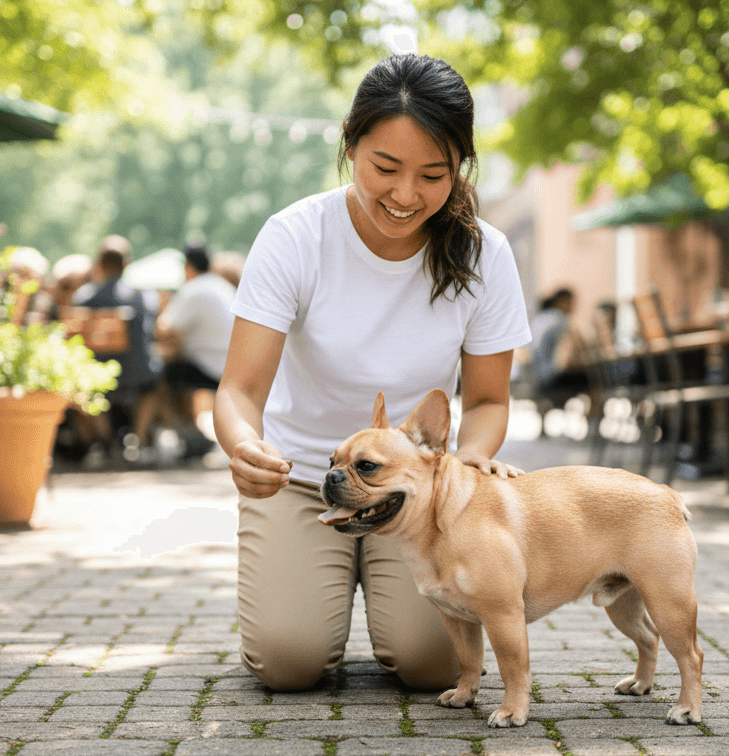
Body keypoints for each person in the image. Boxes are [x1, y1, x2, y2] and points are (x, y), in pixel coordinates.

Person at [213, 53, 532, 693]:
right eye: (385, 168)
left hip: (421, 495)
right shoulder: (294, 236)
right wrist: (244, 446)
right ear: (349, 143)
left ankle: (392, 609)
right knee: (289, 662)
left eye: (433, 175)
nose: (405, 195)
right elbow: (240, 391)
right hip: (303, 481)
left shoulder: (485, 255)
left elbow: (491, 400)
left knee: (432, 665)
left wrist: (467, 466)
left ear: (460, 168)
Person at [72, 235, 163, 449]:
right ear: (126, 264)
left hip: (97, 374)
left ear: (100, 263)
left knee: (82, 386)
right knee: (155, 381)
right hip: (136, 374)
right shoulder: (141, 298)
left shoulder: (83, 298)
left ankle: (104, 439)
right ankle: (138, 439)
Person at [155, 244, 236, 460]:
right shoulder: (222, 286)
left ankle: (189, 434)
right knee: (178, 370)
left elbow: (165, 328)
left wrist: (163, 304)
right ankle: (193, 434)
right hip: (231, 363)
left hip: (212, 365)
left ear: (188, 267)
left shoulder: (194, 289)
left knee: (160, 377)